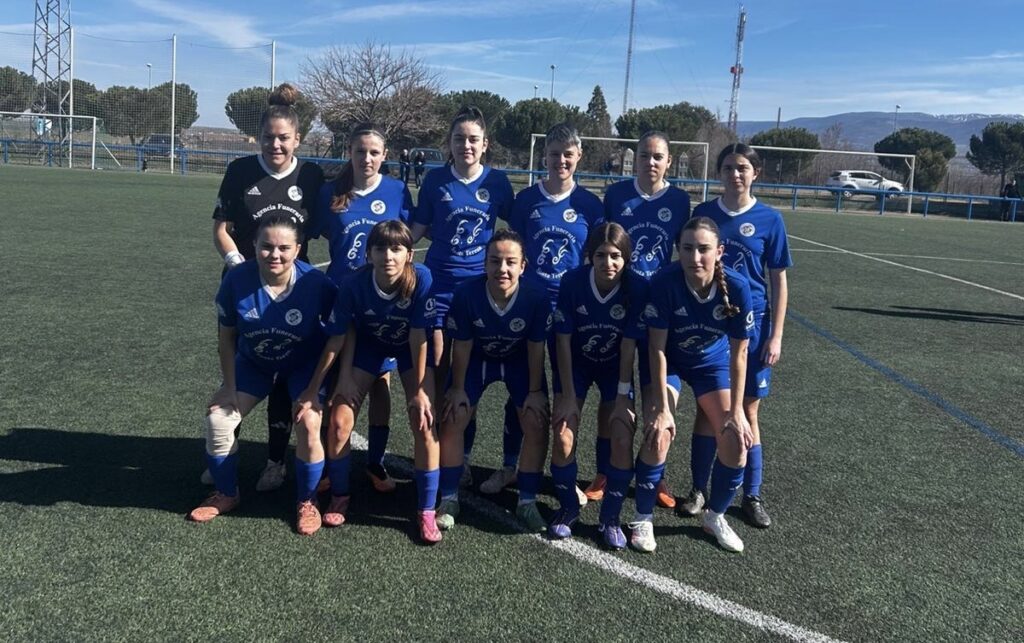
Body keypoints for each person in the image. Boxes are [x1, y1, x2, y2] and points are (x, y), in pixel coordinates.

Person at [189, 214, 337, 535]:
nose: (275, 254)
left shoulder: (317, 284)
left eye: (284, 247)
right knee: (218, 418)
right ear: (254, 246)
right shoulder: (236, 280)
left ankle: (307, 501)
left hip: (302, 366)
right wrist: (228, 387)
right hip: (254, 363)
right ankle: (227, 493)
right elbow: (226, 338)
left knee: (310, 422)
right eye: (266, 246)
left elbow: (337, 336)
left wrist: (314, 390)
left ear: (298, 249)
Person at [296, 220, 441, 543]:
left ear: (409, 254)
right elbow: (340, 335)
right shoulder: (353, 284)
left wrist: (419, 390)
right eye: (380, 248)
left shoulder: (422, 279)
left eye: (396, 248)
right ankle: (341, 495)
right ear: (368, 253)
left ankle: (426, 510)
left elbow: (419, 336)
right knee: (338, 421)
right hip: (368, 348)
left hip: (407, 350)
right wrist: (343, 377)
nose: (388, 256)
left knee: (425, 422)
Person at [210, 83, 324, 492]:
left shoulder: (310, 176)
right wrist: (238, 264)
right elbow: (221, 229)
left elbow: (331, 223)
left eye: (283, 138)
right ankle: (227, 450)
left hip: (293, 290)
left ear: (298, 139)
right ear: (257, 138)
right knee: (242, 364)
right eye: (268, 138)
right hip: (244, 285)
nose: (276, 145)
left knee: (285, 368)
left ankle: (276, 461)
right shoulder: (240, 170)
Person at [687, 143, 792, 529]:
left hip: (752, 327)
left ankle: (751, 494)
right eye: (729, 166)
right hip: (709, 326)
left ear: (755, 173)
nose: (735, 174)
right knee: (707, 407)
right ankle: (699, 490)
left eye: (743, 167)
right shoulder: (704, 214)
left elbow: (778, 281)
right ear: (719, 172)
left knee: (748, 410)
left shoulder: (769, 219)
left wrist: (776, 335)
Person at [409, 106, 514, 487]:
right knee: (437, 369)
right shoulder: (436, 181)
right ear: (448, 145)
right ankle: (434, 449)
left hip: (479, 293)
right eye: (459, 139)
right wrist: (388, 249)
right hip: (438, 286)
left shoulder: (499, 183)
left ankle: (462, 456)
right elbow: (417, 229)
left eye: (473, 139)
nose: (466, 145)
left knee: (466, 377)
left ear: (485, 145)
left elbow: (518, 233)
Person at [499, 122, 604, 501]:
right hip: (527, 307)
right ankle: (510, 465)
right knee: (522, 388)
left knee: (566, 391)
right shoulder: (527, 200)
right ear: (543, 156)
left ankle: (566, 472)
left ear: (578, 157)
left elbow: (594, 258)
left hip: (573, 312)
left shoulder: (591, 206)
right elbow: (513, 252)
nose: (561, 160)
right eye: (554, 153)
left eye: (568, 154)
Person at [308, 123, 414, 493]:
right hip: (341, 299)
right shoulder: (330, 193)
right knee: (337, 380)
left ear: (384, 155)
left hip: (381, 301)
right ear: (348, 153)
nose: (366, 158)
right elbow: (316, 236)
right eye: (359, 151)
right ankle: (323, 463)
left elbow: (403, 240)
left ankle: (375, 463)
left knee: (380, 383)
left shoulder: (398, 190)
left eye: (374, 152)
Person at [643, 216, 756, 552]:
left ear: (719, 251)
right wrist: (663, 409)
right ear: (678, 250)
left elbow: (739, 354)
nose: (695, 257)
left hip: (712, 365)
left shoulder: (736, 287)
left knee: (736, 440)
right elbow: (657, 348)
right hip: (671, 363)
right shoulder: (664, 282)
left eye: (703, 249)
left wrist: (737, 412)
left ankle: (714, 515)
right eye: (687, 249)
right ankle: (642, 517)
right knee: (657, 432)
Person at [435, 229, 552, 533]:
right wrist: (458, 388)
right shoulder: (466, 294)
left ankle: (526, 502)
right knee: (453, 414)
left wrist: (536, 391)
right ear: (484, 264)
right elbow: (461, 345)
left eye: (511, 262)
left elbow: (536, 347)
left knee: (536, 418)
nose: (502, 268)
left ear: (523, 266)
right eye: (495, 261)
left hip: (517, 361)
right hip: (478, 359)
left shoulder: (536, 297)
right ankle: (449, 497)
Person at [602, 130, 691, 509]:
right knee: (613, 393)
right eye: (644, 156)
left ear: (668, 161)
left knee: (659, 393)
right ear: (634, 159)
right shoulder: (616, 195)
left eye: (658, 157)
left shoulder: (680, 200)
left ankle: (656, 475)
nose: (650, 162)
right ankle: (606, 470)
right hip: (622, 305)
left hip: (663, 309)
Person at [548, 223, 649, 545]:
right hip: (574, 365)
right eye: (602, 255)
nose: (609, 263)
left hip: (614, 368)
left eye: (616, 256)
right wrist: (565, 394)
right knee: (564, 434)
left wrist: (622, 396)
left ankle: (610, 518)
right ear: (590, 256)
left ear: (627, 258)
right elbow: (562, 340)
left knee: (621, 432)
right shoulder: (573, 281)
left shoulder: (637, 287)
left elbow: (629, 345)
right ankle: (567, 509)